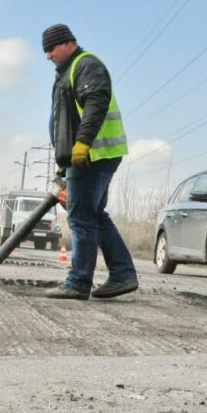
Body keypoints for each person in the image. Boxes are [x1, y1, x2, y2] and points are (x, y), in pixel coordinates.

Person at [41, 23, 137, 300]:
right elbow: (63, 122)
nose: (48, 55)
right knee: (94, 215)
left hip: (92, 155)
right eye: (45, 51)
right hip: (84, 157)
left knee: (81, 216)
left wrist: (82, 143)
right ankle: (122, 274)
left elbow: (96, 102)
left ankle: (79, 282)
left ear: (68, 43)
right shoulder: (66, 73)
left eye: (51, 49)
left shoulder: (85, 65)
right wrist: (63, 162)